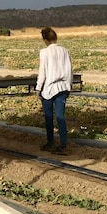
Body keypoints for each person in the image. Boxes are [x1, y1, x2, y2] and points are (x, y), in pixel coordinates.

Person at [36, 27, 72, 155]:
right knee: (61, 117)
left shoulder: (44, 52)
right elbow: (69, 70)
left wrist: (38, 88)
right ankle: (63, 145)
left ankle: (50, 143)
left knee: (48, 117)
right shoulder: (64, 51)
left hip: (49, 88)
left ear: (45, 40)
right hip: (62, 87)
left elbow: (42, 72)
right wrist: (69, 86)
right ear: (55, 38)